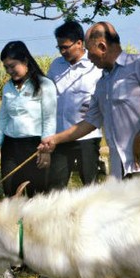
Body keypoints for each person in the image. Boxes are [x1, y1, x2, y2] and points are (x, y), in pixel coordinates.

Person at [39, 21, 140, 278]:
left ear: (102, 46)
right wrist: (55, 140)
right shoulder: (104, 82)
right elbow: (89, 123)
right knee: (129, 231)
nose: (89, 59)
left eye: (91, 52)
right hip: (120, 169)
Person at [0, 40, 57, 197]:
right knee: (11, 193)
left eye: (12, 66)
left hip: (35, 147)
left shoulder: (44, 85)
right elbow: (3, 118)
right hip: (11, 147)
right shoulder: (8, 87)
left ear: (25, 61)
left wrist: (46, 149)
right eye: (6, 67)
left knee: (37, 196)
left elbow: (49, 119)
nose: (9, 71)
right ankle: (15, 222)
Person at [46, 20, 103, 188]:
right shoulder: (56, 65)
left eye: (66, 47)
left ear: (79, 43)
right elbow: (47, 93)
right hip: (61, 135)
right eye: (59, 48)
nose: (62, 51)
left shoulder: (95, 66)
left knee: (89, 183)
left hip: (87, 136)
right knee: (56, 185)